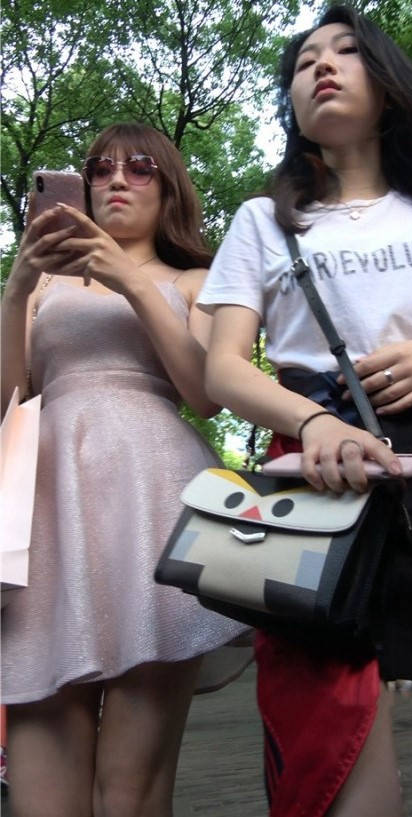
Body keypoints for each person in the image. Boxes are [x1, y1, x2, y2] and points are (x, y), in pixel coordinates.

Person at [198, 5, 412, 817]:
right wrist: (315, 421)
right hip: (315, 478)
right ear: (292, 104)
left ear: (389, 86)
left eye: (343, 51)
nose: (320, 66)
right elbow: (222, 366)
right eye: (303, 62)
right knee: (328, 726)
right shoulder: (262, 219)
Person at [1, 122, 251, 817]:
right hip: (46, 514)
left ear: (168, 190)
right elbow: (6, 404)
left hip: (154, 508)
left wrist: (131, 280)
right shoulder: (44, 286)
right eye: (100, 168)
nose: (117, 178)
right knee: (41, 798)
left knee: (129, 793)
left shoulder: (195, 280)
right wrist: (18, 286)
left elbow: (204, 391)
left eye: (140, 167)